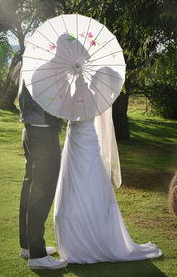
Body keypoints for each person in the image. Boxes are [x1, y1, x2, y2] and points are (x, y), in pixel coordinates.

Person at [54, 107, 162, 263]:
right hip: (73, 140)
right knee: (73, 183)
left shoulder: (94, 96)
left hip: (86, 139)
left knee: (89, 183)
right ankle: (75, 239)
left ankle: (89, 235)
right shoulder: (76, 93)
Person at [18, 79, 67, 269]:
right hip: (44, 134)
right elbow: (50, 101)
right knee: (42, 192)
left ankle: (28, 246)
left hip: (30, 130)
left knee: (30, 187)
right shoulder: (45, 69)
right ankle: (37, 255)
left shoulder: (30, 64)